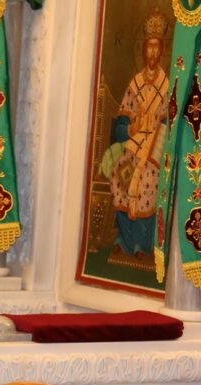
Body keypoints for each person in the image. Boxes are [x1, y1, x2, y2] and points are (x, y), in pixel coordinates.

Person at [100, 9, 169, 257]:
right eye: (148, 48)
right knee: (119, 173)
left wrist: (157, 147)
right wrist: (131, 128)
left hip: (156, 149)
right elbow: (119, 127)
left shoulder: (166, 86)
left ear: (162, 51)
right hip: (134, 145)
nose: (152, 54)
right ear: (143, 50)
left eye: (156, 48)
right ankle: (126, 239)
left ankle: (144, 244)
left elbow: (170, 127)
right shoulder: (135, 84)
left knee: (148, 180)